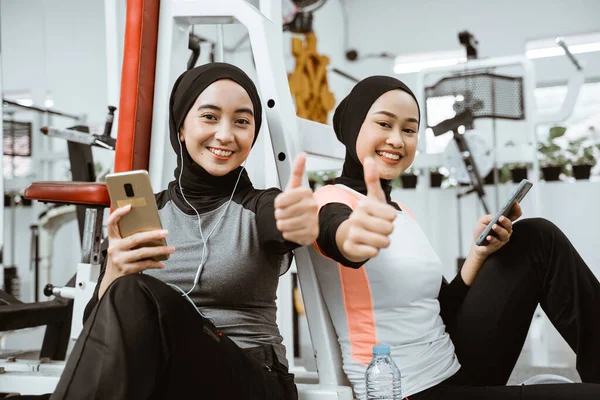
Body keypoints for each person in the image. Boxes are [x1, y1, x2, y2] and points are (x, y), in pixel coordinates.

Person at [313, 75, 600, 400]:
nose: (397, 140)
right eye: (384, 124)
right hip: (406, 390)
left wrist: (478, 254)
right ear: (354, 128)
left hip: (452, 367)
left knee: (537, 239)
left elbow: (442, 310)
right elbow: (338, 236)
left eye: (409, 130)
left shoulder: (401, 211)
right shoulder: (329, 201)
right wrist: (357, 233)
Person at [49, 63, 319, 400]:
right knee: (128, 290)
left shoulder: (262, 205)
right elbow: (99, 333)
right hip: (171, 376)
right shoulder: (148, 212)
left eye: (241, 121)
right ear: (180, 129)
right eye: (210, 116)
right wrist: (114, 272)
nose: (225, 134)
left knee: (134, 292)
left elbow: (284, 226)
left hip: (252, 376)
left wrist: (302, 222)